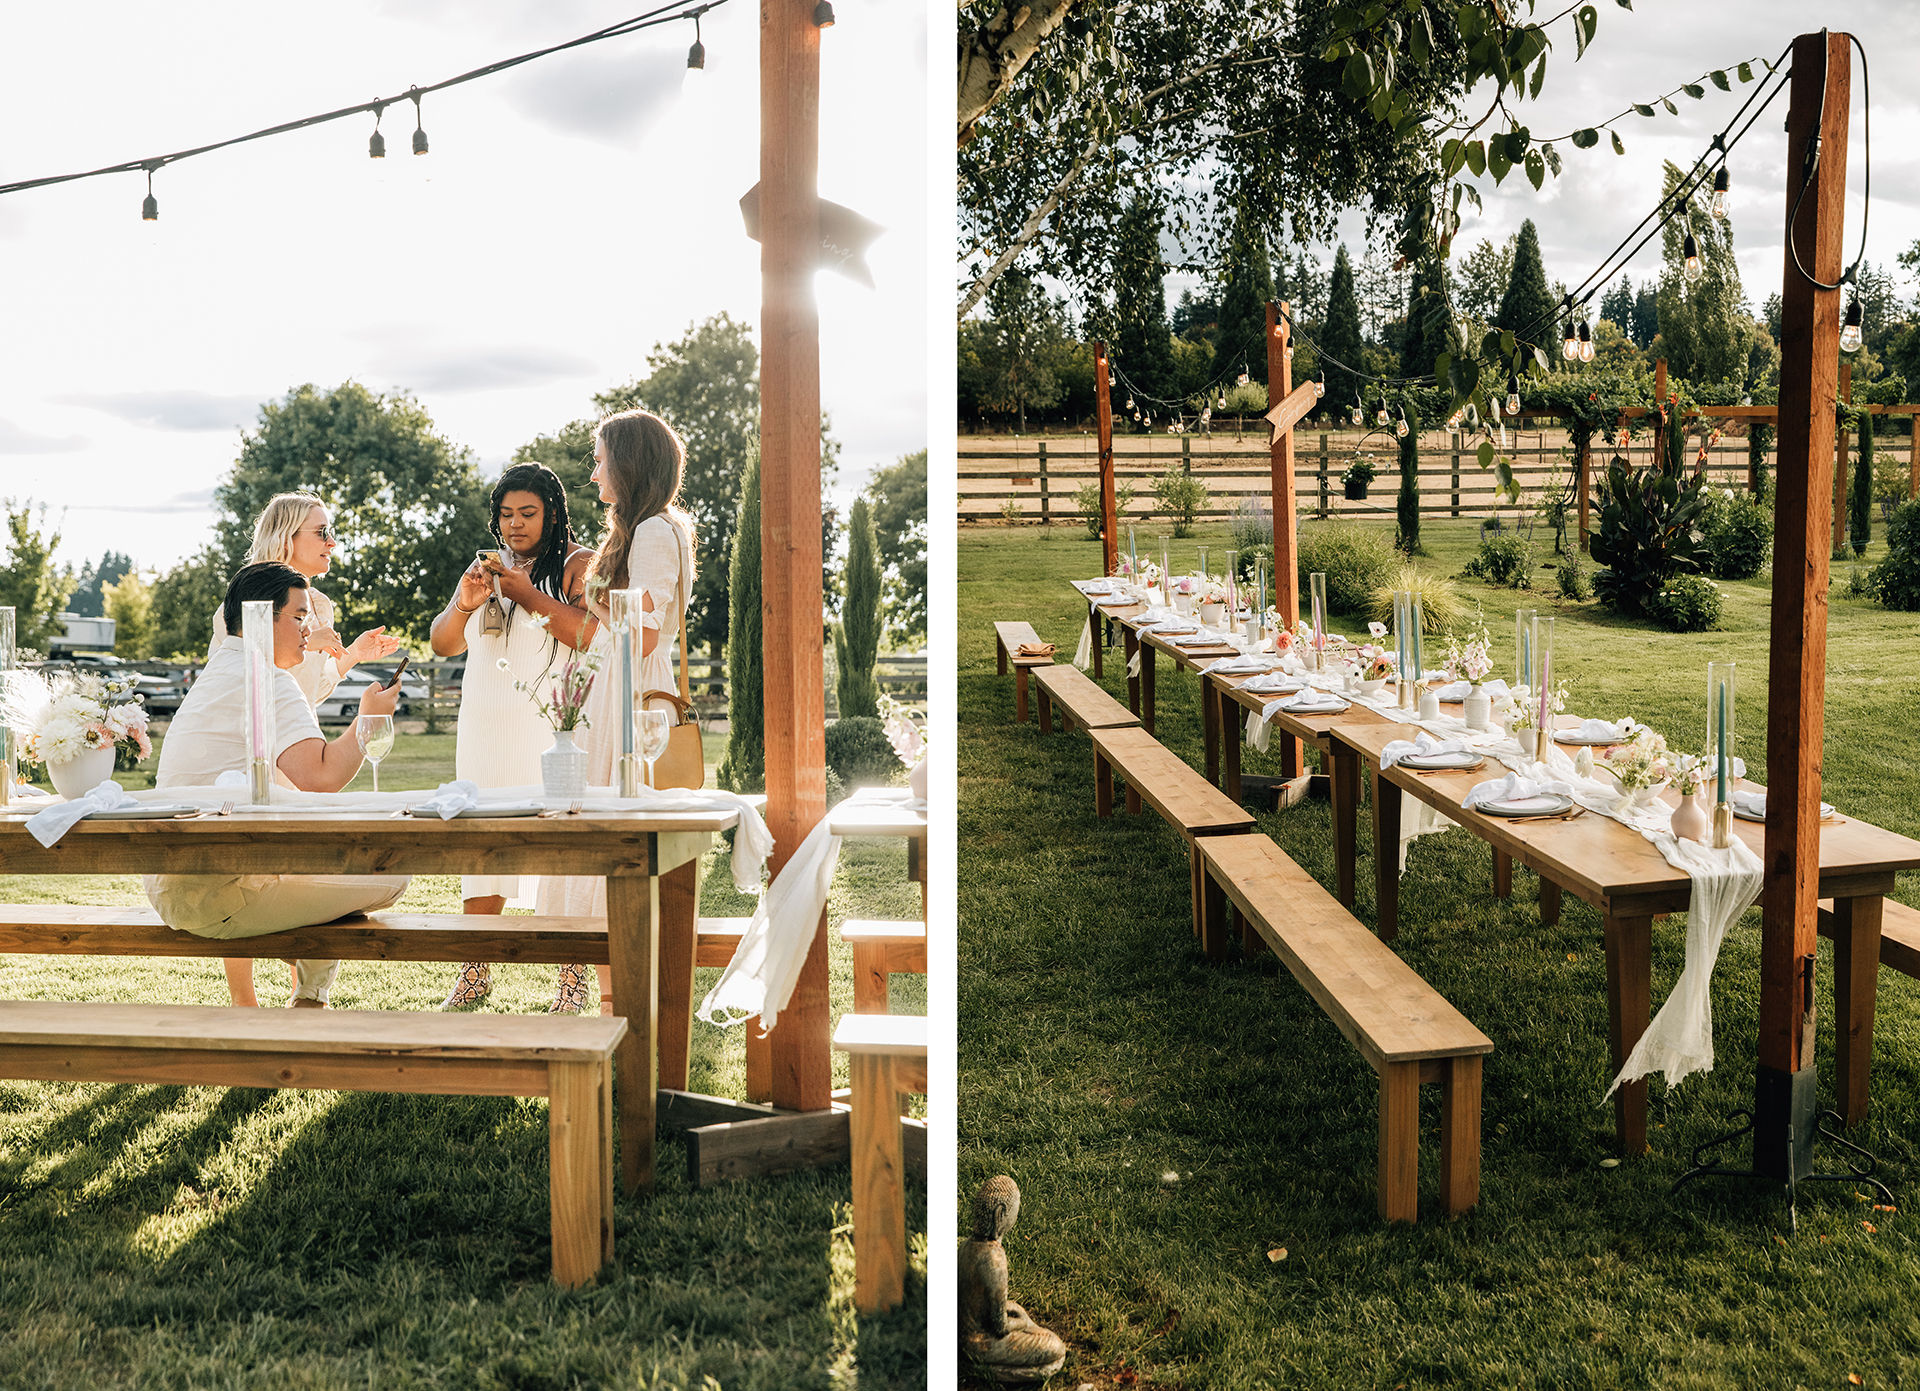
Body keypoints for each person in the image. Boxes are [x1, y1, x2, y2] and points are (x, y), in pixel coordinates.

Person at [146, 563, 409, 1008]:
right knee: (391, 877)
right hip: (219, 895)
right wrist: (370, 717)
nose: (310, 630)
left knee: (326, 865)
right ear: (263, 618)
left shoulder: (218, 671)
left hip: (169, 888)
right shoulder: (267, 677)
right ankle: (309, 1001)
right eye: (300, 616)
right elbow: (322, 778)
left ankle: (307, 996)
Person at [208, 491, 401, 1005]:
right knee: (243, 864)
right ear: (286, 536)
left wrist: (350, 654)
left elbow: (311, 689)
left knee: (307, 862)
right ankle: (244, 1001)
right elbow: (238, 679)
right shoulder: (240, 601)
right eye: (321, 531)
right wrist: (302, 649)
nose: (331, 541)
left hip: (300, 738)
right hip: (252, 748)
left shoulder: (322, 605)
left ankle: (308, 992)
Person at [536, 408, 697, 1012]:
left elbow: (644, 635)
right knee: (604, 837)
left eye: (601, 458)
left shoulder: (655, 530)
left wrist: (589, 589)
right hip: (614, 684)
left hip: (628, 692)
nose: (594, 470)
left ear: (628, 464)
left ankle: (613, 1004)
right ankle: (608, 998)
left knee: (607, 838)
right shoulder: (652, 528)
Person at [430, 463, 598, 1013]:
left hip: (549, 725)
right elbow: (443, 644)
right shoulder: (487, 566)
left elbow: (586, 635)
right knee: (482, 849)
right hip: (484, 723)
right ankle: (473, 974)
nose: (515, 525)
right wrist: (465, 603)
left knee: (560, 852)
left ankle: (571, 984)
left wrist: (524, 593)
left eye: (528, 513)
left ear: (554, 512)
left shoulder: (578, 565)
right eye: (506, 515)